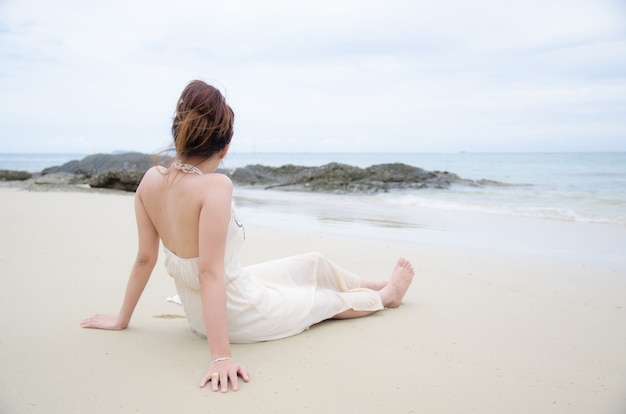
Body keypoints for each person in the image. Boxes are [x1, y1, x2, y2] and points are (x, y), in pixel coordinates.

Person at [80, 80, 415, 393]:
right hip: (236, 315)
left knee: (313, 262)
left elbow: (145, 258)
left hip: (217, 299)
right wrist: (220, 356)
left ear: (178, 134)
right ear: (225, 149)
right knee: (323, 302)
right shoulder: (215, 186)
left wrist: (121, 319)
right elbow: (209, 272)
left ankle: (370, 284)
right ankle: (387, 297)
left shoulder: (151, 179)